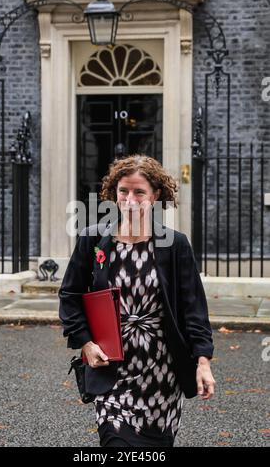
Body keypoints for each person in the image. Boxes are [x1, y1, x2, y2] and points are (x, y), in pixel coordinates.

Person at [59, 154, 215, 447]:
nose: (130, 199)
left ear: (155, 196)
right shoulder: (93, 240)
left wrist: (203, 361)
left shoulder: (174, 244)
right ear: (113, 193)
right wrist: (86, 344)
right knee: (116, 443)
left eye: (139, 191)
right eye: (123, 191)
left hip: (162, 375)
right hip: (113, 370)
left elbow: (194, 308)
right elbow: (70, 295)